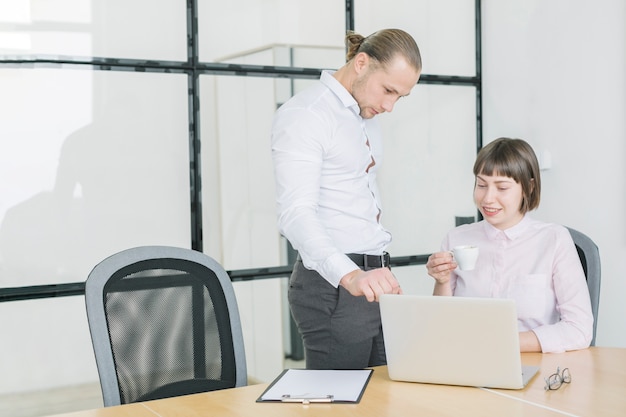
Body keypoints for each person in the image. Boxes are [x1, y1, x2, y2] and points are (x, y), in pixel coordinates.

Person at [271, 29, 422, 369]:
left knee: (386, 398)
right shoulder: (306, 115)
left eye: (400, 97)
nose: (389, 106)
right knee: (339, 404)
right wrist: (350, 275)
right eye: (388, 91)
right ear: (362, 63)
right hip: (335, 286)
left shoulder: (363, 113)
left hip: (375, 278)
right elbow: (295, 214)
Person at [426, 137, 593, 353]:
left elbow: (579, 329)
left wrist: (502, 343)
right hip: (466, 360)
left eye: (502, 188)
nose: (487, 198)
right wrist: (441, 281)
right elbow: (442, 325)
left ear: (528, 187)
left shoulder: (553, 240)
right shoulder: (457, 239)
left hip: (534, 366)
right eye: (481, 185)